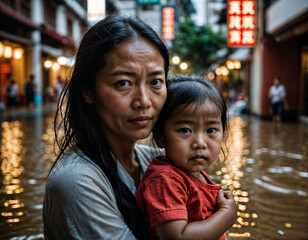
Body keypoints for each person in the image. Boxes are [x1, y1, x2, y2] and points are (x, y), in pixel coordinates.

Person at [43, 14, 169, 240]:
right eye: (123, 83)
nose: (144, 101)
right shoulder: (77, 181)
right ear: (88, 91)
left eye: (155, 82)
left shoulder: (158, 160)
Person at [136, 75, 237, 240]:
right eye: (185, 130)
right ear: (160, 136)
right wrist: (227, 216)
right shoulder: (165, 180)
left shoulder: (192, 172)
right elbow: (178, 236)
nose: (200, 143)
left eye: (211, 130)